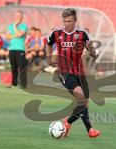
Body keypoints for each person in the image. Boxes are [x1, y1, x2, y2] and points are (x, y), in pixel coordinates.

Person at [46, 8, 101, 138]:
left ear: (75, 21)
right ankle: (90, 130)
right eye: (64, 21)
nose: (66, 24)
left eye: (69, 21)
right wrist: (48, 58)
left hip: (80, 73)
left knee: (84, 104)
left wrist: (92, 51)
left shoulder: (82, 34)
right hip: (64, 72)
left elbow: (92, 50)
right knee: (81, 98)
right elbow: (48, 44)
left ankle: (68, 122)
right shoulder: (56, 33)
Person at [6, 10, 28, 88]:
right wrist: (15, 35)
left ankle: (23, 84)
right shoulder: (10, 26)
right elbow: (7, 37)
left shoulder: (24, 26)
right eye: (16, 16)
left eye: (19, 16)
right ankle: (14, 83)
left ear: (21, 17)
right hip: (12, 49)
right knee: (13, 67)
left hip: (20, 49)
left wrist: (15, 26)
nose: (17, 17)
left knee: (21, 67)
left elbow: (19, 35)